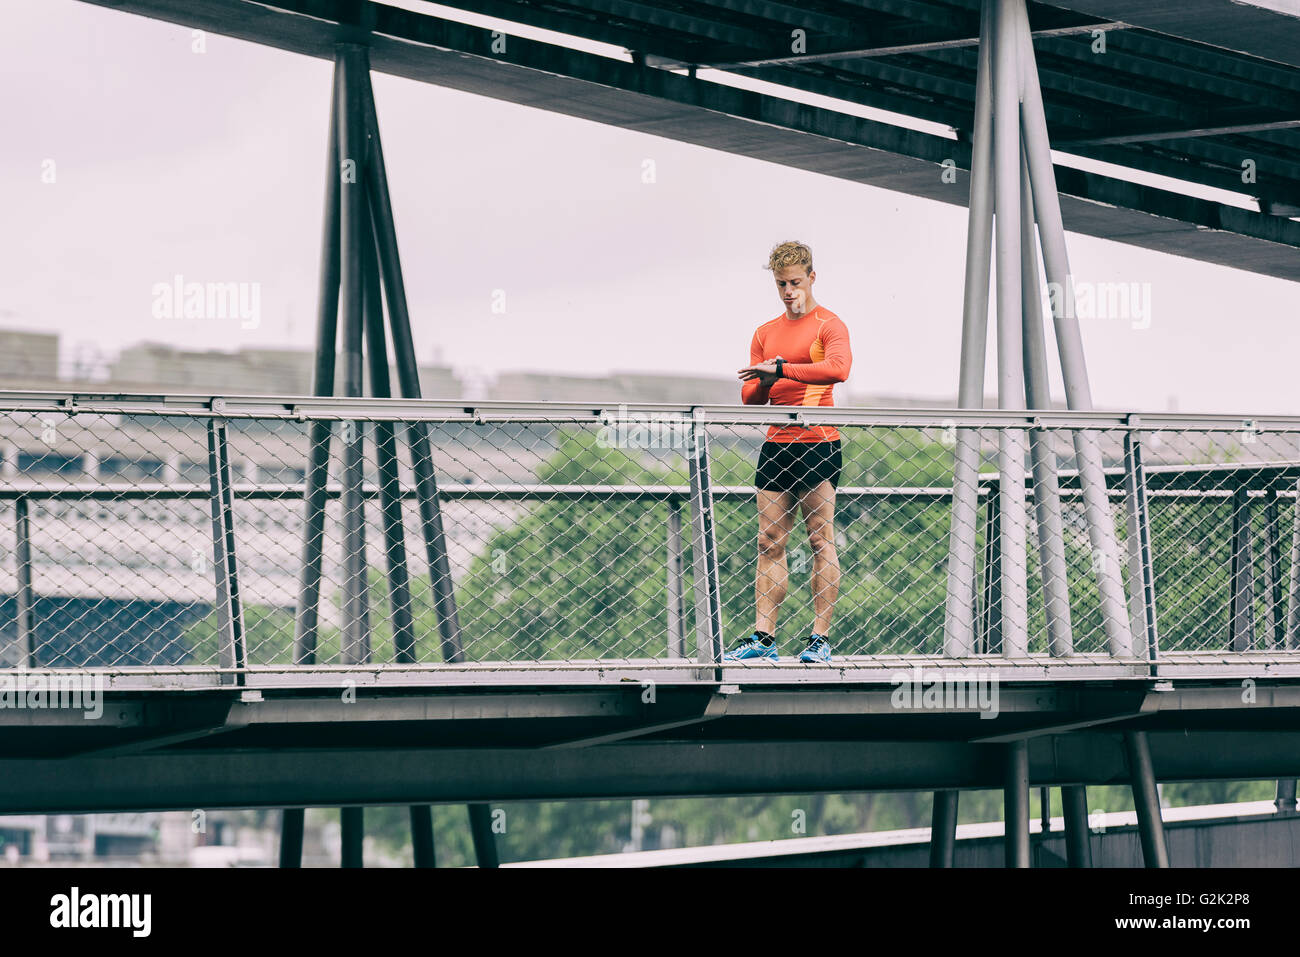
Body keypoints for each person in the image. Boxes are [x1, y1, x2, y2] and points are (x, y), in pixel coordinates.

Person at [729, 240, 852, 664]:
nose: (788, 291)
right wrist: (766, 377)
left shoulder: (828, 324)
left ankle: (820, 640)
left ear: (812, 278)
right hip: (777, 444)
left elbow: (838, 370)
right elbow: (750, 398)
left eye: (795, 282)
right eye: (781, 284)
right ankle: (764, 639)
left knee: (820, 538)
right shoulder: (765, 332)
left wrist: (781, 368)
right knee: (769, 540)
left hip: (818, 441)